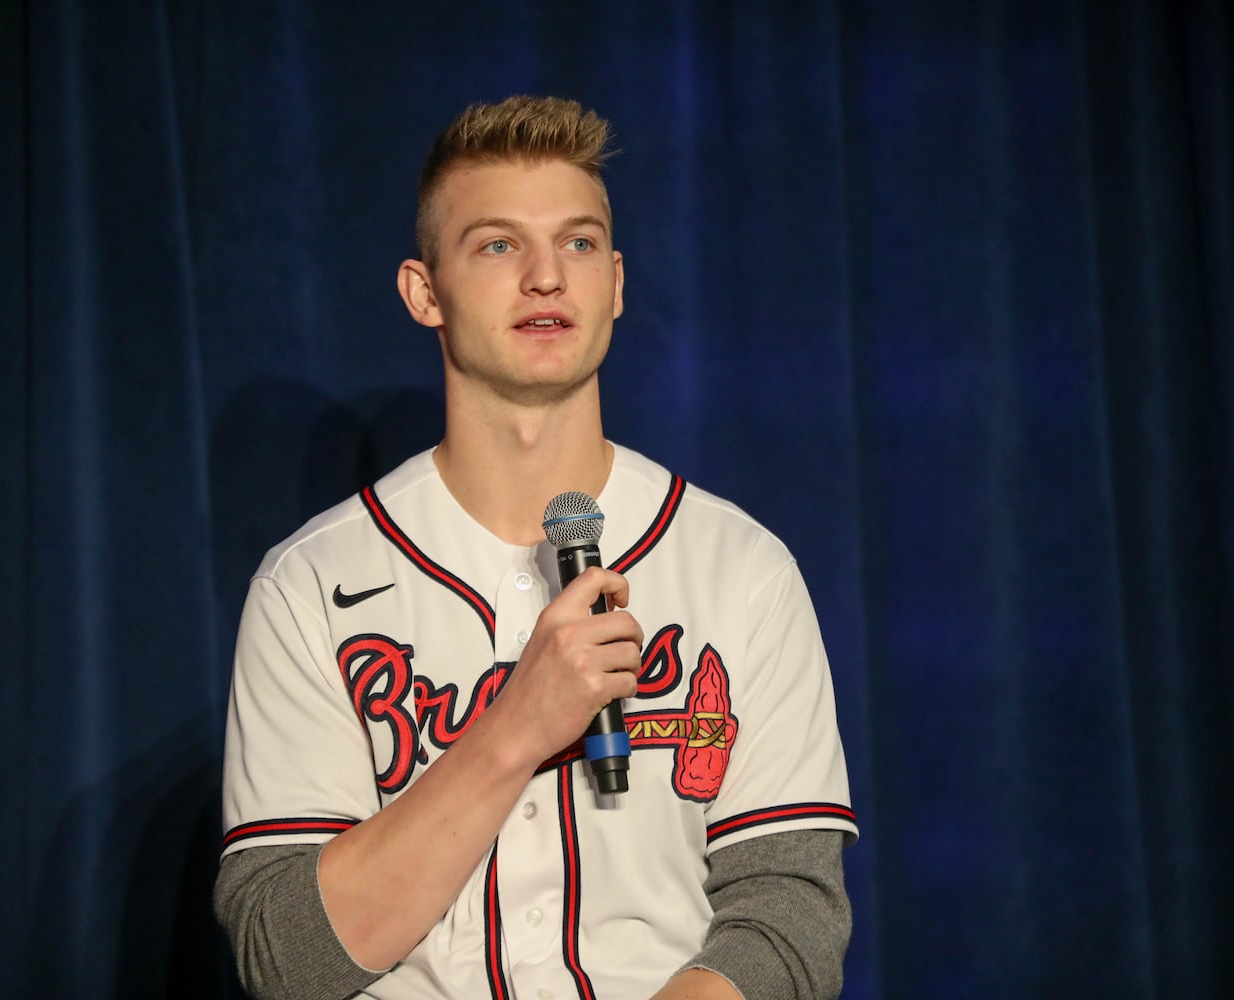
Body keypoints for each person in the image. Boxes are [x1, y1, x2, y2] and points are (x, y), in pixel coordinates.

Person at [215, 95, 857, 1000]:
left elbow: (791, 912)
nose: (548, 276)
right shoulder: (311, 584)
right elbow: (286, 961)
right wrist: (517, 727)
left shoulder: (742, 569)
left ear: (618, 283)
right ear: (424, 291)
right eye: (498, 245)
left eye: (580, 242)